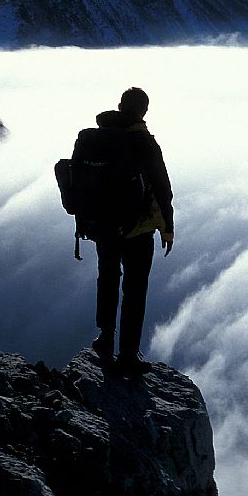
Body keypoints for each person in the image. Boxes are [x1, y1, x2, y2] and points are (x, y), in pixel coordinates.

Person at [90, 87, 174, 374]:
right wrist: (168, 227)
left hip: (103, 226)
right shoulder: (144, 142)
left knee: (108, 278)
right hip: (137, 230)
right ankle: (127, 355)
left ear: (120, 106)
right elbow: (162, 188)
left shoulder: (98, 137)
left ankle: (104, 337)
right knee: (135, 289)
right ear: (144, 111)